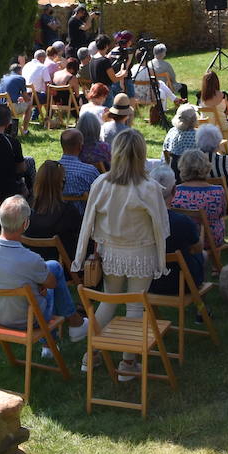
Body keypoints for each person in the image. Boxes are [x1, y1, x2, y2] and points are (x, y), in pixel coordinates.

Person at [72, 129, 169, 381]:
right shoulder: (149, 188)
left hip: (111, 252)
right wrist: (161, 256)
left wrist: (82, 254)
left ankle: (89, 355)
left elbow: (88, 221)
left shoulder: (101, 183)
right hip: (140, 253)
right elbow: (162, 226)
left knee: (109, 300)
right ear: (141, 155)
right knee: (135, 304)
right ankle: (127, 362)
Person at [0, 195, 87, 347]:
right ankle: (68, 327)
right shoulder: (31, 260)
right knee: (53, 271)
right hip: (29, 320)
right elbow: (52, 284)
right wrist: (40, 285)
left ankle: (64, 331)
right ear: (26, 224)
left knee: (51, 268)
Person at [148, 165, 207, 297]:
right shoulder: (182, 221)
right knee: (203, 254)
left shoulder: (141, 219)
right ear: (175, 190)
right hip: (182, 282)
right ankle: (200, 310)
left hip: (149, 280)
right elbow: (198, 248)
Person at [25, 160, 82, 261]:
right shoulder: (69, 212)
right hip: (61, 271)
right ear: (61, 184)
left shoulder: (26, 213)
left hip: (32, 270)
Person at [172, 148, 226, 250]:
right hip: (213, 239)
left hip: (185, 240)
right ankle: (216, 263)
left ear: (182, 167)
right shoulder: (218, 191)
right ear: (206, 167)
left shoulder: (175, 192)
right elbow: (222, 214)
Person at [57, 129, 99, 205]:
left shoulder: (50, 170)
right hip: (83, 216)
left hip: (53, 215)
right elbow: (101, 196)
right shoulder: (90, 171)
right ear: (80, 146)